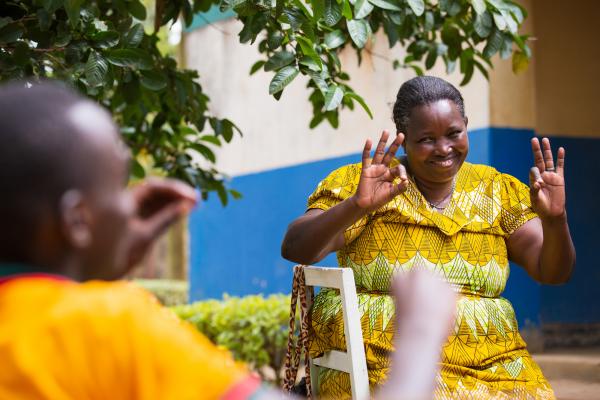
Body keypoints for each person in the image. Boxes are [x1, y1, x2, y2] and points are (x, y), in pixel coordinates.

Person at [0, 81, 456, 400]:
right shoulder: (104, 329)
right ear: (78, 221)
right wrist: (419, 334)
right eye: (119, 184)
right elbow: (296, 244)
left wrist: (91, 263)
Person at [281, 76, 576, 399]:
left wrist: (556, 220)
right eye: (427, 139)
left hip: (496, 361)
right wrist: (356, 205)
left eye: (454, 134)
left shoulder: (496, 189)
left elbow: (553, 272)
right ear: (403, 140)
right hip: (389, 359)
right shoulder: (371, 180)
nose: (444, 148)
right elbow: (296, 247)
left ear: (466, 125)